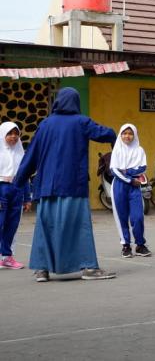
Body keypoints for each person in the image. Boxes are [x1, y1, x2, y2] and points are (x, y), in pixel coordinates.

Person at [13, 87, 117, 282]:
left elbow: (31, 155)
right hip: (72, 184)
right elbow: (105, 133)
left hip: (46, 186)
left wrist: (18, 182)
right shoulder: (81, 121)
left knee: (45, 226)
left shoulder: (45, 124)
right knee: (79, 226)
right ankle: (89, 267)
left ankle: (42, 270)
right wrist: (115, 139)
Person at [109, 124, 150, 258]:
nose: (127, 136)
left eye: (130, 133)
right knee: (121, 216)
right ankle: (126, 245)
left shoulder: (139, 150)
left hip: (135, 187)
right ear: (120, 135)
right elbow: (114, 170)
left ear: (135, 135)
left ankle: (140, 245)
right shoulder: (117, 150)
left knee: (138, 216)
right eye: (124, 133)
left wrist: (127, 171)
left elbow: (142, 167)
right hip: (119, 186)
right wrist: (129, 179)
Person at [0, 122, 31, 269]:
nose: (13, 137)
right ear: (3, 134)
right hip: (1, 190)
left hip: (17, 191)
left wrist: (27, 198)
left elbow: (24, 176)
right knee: (0, 223)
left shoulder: (20, 153)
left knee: (12, 225)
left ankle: (7, 257)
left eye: (16, 133)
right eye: (9, 134)